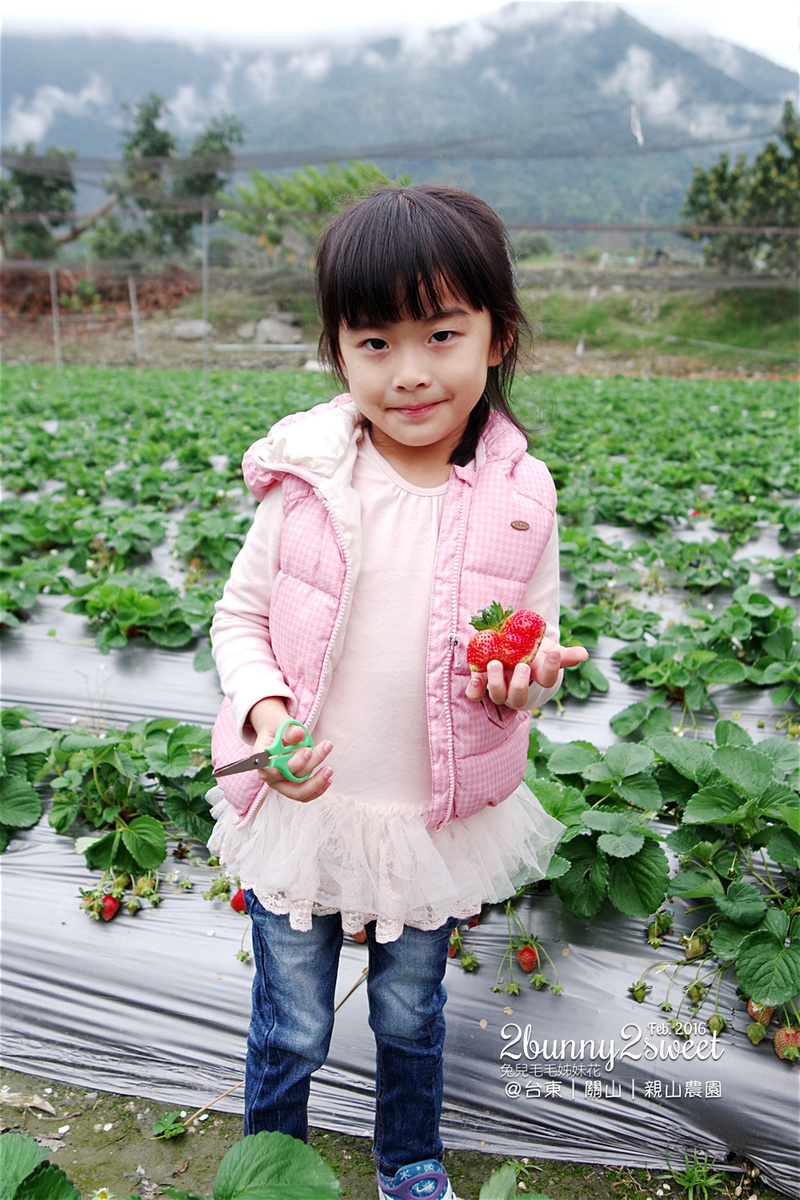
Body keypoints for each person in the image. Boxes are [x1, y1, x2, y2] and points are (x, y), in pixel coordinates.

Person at [207, 183, 588, 1200]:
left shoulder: (520, 500)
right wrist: (268, 716)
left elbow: (527, 648)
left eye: (440, 334)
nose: (409, 373)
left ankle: (408, 1158)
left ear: (495, 337)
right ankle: (271, 1166)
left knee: (408, 1014)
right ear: (336, 350)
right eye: (373, 342)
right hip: (304, 814)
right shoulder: (308, 479)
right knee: (287, 1016)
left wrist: (517, 685)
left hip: (430, 822)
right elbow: (238, 620)